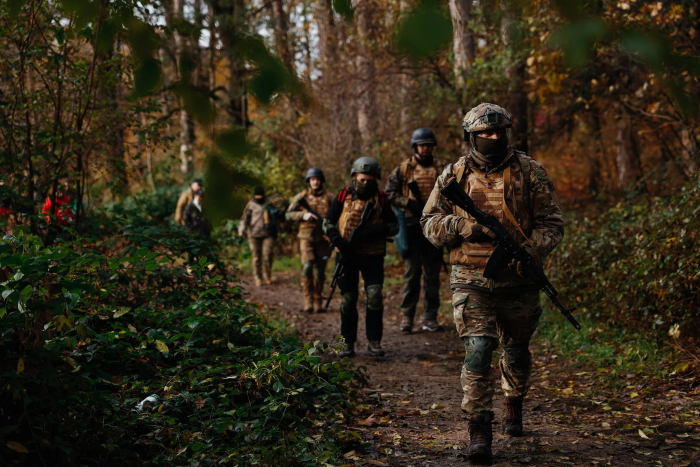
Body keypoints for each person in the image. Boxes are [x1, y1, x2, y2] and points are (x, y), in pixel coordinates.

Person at [420, 103, 564, 464]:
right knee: (479, 350)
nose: (495, 138)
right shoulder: (453, 175)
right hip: (470, 279)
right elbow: (429, 221)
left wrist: (530, 250)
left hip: (518, 281)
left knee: (516, 351)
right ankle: (478, 428)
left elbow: (552, 223)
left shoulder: (530, 171)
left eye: (501, 132)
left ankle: (513, 402)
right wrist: (460, 227)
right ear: (472, 136)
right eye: (487, 133)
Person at [323, 157, 398, 357]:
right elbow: (328, 222)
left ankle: (374, 341)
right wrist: (338, 241)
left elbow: (394, 226)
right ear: (354, 178)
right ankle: (347, 343)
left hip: (372, 257)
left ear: (376, 179)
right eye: (362, 179)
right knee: (348, 299)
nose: (365, 183)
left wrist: (376, 230)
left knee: (374, 296)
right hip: (346, 256)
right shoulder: (342, 196)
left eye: (369, 180)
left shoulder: (381, 199)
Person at [386, 128, 446, 334]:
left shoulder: (441, 168)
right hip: (411, 228)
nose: (426, 149)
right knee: (412, 274)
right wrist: (408, 204)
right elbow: (389, 193)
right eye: (422, 145)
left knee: (432, 275)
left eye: (429, 145)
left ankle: (430, 318)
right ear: (415, 147)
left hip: (436, 227)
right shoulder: (404, 169)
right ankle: (407, 317)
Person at [286, 168, 333, 314]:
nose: (315, 182)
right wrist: (303, 215)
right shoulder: (301, 197)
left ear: (321, 181)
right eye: (312, 179)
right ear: (309, 181)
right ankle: (308, 299)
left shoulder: (329, 197)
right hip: (305, 236)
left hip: (323, 237)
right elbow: (288, 214)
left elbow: (337, 216)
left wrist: (332, 232)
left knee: (320, 270)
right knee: (307, 267)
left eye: (317, 179)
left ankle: (318, 299)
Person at [238, 186, 275, 287]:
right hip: (254, 234)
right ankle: (258, 277)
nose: (259, 197)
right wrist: (241, 229)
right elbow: (244, 219)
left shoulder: (269, 203)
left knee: (267, 256)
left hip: (268, 234)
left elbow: (276, 215)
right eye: (257, 195)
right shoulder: (250, 205)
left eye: (261, 195)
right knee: (256, 257)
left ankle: (267, 275)